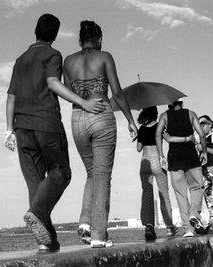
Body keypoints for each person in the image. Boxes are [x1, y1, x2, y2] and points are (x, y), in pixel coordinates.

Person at [4, 14, 106, 253]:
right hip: (47, 124)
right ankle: (36, 213)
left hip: (22, 128)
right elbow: (52, 82)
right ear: (55, 35)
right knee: (62, 172)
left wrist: (9, 130)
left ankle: (46, 240)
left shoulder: (20, 60)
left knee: (36, 184)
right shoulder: (52, 54)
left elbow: (11, 97)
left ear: (35, 31)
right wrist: (83, 102)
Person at [63, 20, 138, 248]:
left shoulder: (68, 61)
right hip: (101, 113)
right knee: (103, 176)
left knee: (91, 173)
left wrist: (83, 103)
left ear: (80, 39)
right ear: (99, 39)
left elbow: (68, 91)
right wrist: (130, 120)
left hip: (77, 117)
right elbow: (116, 91)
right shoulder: (105, 56)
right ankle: (98, 235)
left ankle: (85, 222)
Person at [156, 99, 208, 237]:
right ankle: (194, 214)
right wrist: (204, 152)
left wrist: (161, 156)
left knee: (180, 194)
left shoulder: (164, 116)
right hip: (191, 156)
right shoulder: (191, 114)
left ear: (169, 103)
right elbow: (202, 135)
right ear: (181, 102)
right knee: (197, 187)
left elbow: (158, 134)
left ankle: (188, 229)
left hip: (174, 157)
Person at [136, 106, 178, 241]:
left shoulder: (142, 129)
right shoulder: (159, 127)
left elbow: (138, 148)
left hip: (144, 161)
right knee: (164, 194)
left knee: (146, 194)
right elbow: (168, 138)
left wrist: (140, 135)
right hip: (157, 160)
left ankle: (149, 226)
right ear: (155, 114)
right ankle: (169, 226)